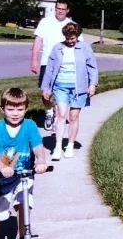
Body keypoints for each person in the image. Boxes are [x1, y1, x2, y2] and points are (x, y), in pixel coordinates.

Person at [0, 87, 48, 239]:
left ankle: (22, 236)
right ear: (2, 109)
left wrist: (40, 160)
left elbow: (38, 145)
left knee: (25, 203)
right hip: (0, 178)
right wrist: (2, 167)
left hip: (24, 175)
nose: (15, 113)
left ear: (26, 109)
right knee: (0, 212)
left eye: (20, 109)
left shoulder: (30, 126)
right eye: (11, 109)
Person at [40, 22, 98, 161]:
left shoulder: (84, 48)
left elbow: (92, 67)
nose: (70, 41)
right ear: (65, 36)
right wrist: (46, 87)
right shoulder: (57, 48)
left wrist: (92, 84)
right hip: (60, 86)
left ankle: (70, 145)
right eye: (68, 38)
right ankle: (58, 146)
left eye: (73, 38)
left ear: (77, 36)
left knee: (73, 117)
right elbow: (49, 69)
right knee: (60, 115)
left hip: (79, 88)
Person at [30, 1, 74, 131]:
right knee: (45, 92)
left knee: (61, 92)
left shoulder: (72, 25)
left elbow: (78, 45)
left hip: (65, 64)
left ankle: (58, 119)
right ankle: (49, 113)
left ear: (68, 10)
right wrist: (34, 60)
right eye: (58, 8)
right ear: (55, 9)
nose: (60, 11)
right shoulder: (45, 22)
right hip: (47, 62)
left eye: (63, 9)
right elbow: (38, 41)